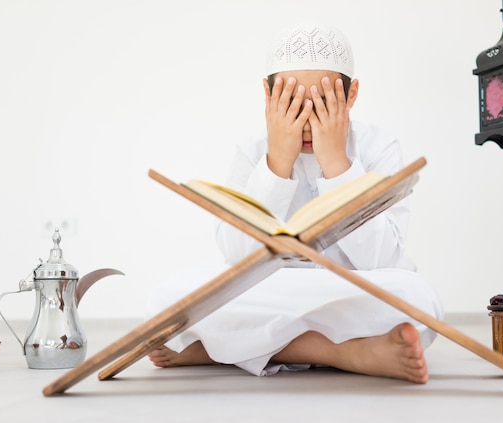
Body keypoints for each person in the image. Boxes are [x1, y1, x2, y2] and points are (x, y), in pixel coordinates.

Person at [145, 23, 444, 384]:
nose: (305, 120)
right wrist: (276, 164)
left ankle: (217, 350)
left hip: (348, 292)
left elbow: (381, 260)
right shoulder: (253, 151)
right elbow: (237, 259)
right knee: (171, 295)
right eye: (290, 103)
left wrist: (337, 164)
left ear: (351, 97)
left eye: (322, 103)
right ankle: (347, 352)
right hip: (271, 293)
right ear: (268, 97)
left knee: (418, 297)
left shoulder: (378, 147)